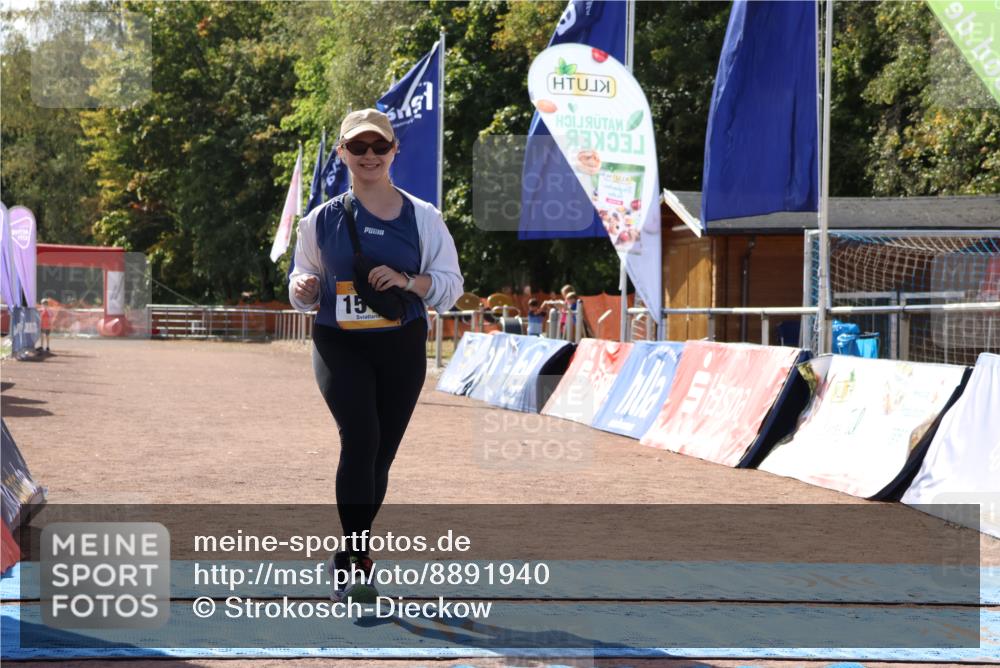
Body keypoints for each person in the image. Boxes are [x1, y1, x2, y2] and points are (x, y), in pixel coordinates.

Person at [288, 109, 463, 602]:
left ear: (393, 152)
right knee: (360, 437)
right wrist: (301, 287)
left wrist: (408, 281)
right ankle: (358, 559)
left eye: (378, 147)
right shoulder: (319, 219)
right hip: (338, 342)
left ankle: (348, 552)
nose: (368, 156)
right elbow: (303, 281)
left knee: (379, 457)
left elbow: (450, 286)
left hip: (401, 345)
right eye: (358, 147)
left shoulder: (422, 216)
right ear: (342, 153)